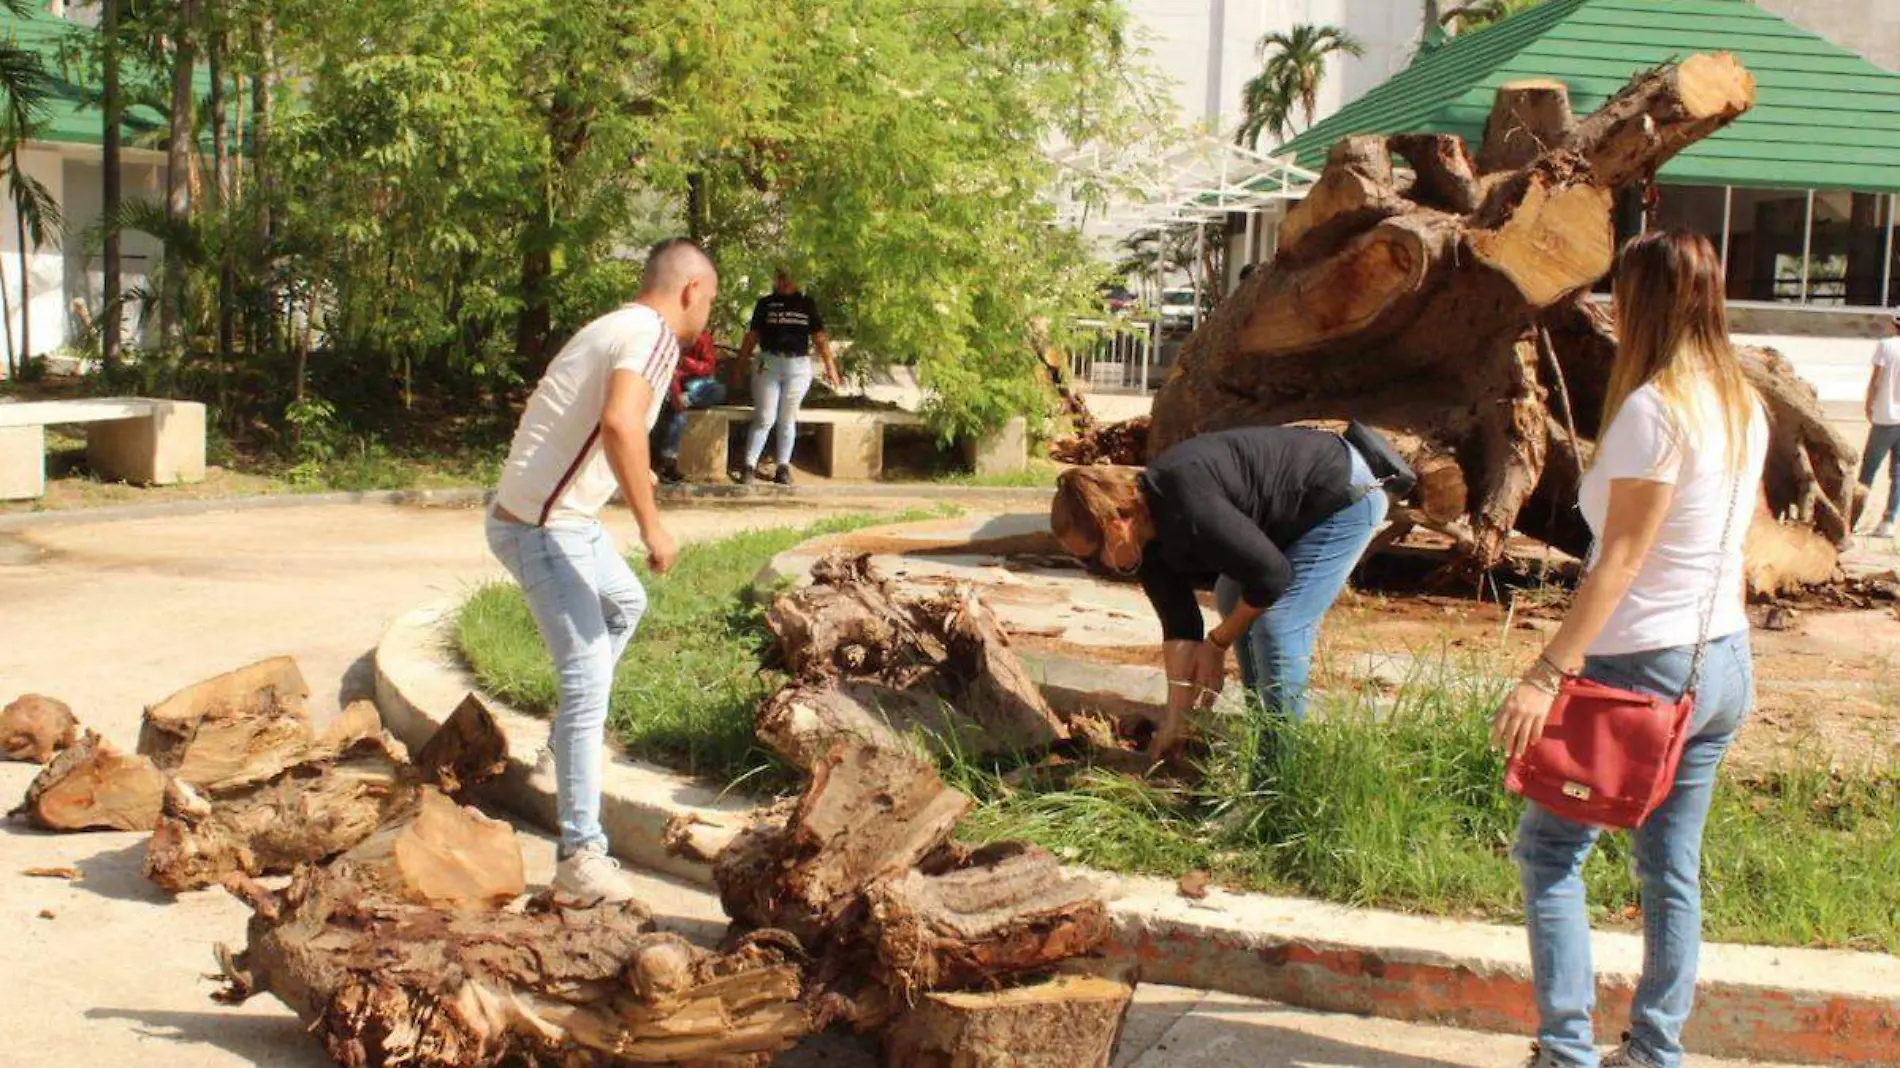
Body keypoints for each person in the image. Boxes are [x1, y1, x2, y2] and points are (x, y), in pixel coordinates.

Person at [1491, 230, 1766, 1068]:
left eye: (1621, 293)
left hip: (1641, 666)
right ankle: (1653, 1052)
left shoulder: (1656, 410)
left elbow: (1621, 559)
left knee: (1548, 852)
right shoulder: (1738, 400)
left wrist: (1547, 671)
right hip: (1720, 659)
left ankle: (1567, 1051)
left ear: (1647, 302)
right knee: (1670, 869)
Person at [485, 238, 717, 902]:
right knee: (587, 675)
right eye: (711, 301)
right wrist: (652, 525)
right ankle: (580, 856)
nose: (707, 316)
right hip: (540, 530)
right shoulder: (652, 333)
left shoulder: (615, 325)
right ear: (691, 291)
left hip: (558, 520)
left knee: (625, 605)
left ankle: (564, 743)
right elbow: (620, 422)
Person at [1049, 425, 1390, 760]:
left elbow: (1272, 577)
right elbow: (1180, 623)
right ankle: (1267, 742)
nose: (1097, 566)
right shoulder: (1145, 540)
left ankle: (1283, 776)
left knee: (1278, 625)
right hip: (1294, 513)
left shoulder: (1185, 504)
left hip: (1345, 495)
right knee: (1231, 594)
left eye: (1093, 556)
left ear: (1116, 523)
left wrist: (1217, 644)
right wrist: (1174, 721)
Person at [734, 268, 841, 485]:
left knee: (787, 418)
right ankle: (749, 465)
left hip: (798, 367)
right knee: (765, 416)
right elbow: (752, 336)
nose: (784, 282)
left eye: (789, 277)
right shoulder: (765, 304)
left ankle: (783, 466)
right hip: (769, 364)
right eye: (781, 277)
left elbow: (819, 337)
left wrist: (830, 366)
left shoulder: (807, 304)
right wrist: (740, 366)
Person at [656, 329, 728, 484]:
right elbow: (669, 373)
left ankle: (687, 399)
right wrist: (676, 395)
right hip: (670, 382)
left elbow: (709, 368)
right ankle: (668, 463)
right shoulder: (668, 337)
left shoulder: (702, 336)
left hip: (696, 384)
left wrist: (686, 363)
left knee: (717, 389)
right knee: (679, 416)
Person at [1857, 308, 1900, 539]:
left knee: (1868, 471)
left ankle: (1854, 516)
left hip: (1885, 417)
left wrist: (1869, 404)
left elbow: (1876, 381)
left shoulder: (1886, 346)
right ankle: (1889, 521)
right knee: (1898, 473)